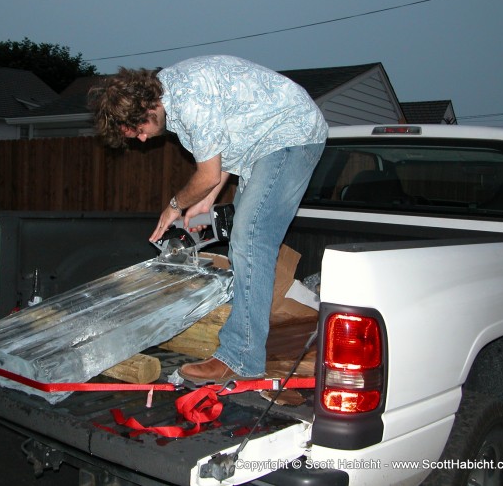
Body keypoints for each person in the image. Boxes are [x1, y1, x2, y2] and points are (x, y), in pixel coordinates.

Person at [88, 55, 327, 384]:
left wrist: (175, 206)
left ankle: (240, 358)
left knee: (250, 239)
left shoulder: (189, 100)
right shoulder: (172, 96)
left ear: (145, 109)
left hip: (290, 134)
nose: (141, 140)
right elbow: (225, 148)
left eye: (138, 131)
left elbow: (207, 173)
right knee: (243, 244)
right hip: (261, 145)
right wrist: (206, 200)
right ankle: (241, 336)